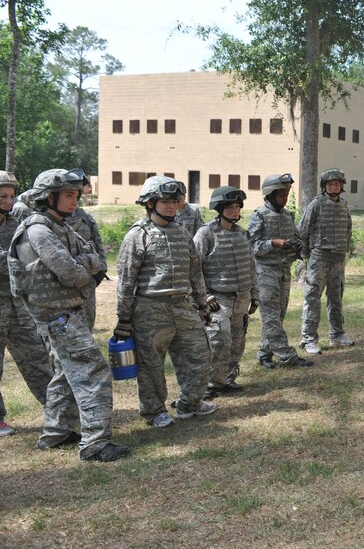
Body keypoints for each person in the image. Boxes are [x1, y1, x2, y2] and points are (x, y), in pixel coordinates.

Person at [8, 168, 129, 461]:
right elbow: (71, 273)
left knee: (64, 373)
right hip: (57, 317)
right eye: (69, 195)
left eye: (76, 195)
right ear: (48, 197)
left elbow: (95, 259)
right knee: (93, 371)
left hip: (65, 313)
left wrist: (84, 264)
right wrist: (84, 266)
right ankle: (95, 444)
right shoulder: (39, 230)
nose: (75, 201)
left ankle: (57, 431)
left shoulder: (60, 226)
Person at [115, 176, 217, 427]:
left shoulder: (182, 233)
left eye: (175, 201)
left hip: (183, 306)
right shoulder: (137, 235)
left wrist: (202, 304)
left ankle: (190, 404)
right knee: (151, 365)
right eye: (165, 202)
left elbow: (195, 272)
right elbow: (126, 279)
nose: (172, 206)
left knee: (200, 355)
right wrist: (124, 318)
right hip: (150, 309)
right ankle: (154, 411)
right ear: (150, 203)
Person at [0, 171, 53, 437]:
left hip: (19, 306)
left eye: (11, 196)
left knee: (38, 359)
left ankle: (58, 409)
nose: (9, 202)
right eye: (3, 196)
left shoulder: (16, 225)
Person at [194, 186, 259, 398]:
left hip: (241, 298)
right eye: (229, 207)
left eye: (237, 206)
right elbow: (193, 268)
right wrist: (205, 296)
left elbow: (251, 265)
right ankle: (211, 384)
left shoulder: (241, 234)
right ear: (219, 208)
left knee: (237, 342)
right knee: (219, 341)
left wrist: (255, 294)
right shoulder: (206, 233)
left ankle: (227, 379)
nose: (234, 210)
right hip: (218, 299)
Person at [247, 173, 313, 368]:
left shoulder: (287, 216)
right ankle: (286, 355)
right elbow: (251, 246)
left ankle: (264, 353)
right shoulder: (259, 215)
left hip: (284, 271)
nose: (284, 199)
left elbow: (296, 237)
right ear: (270, 195)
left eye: (286, 194)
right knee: (271, 316)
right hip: (265, 272)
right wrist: (273, 243)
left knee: (278, 315)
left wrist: (296, 246)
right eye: (281, 195)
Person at [296, 168, 355, 355]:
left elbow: (348, 230)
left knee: (336, 298)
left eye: (336, 184)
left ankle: (337, 334)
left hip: (338, 260)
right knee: (313, 299)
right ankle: (309, 339)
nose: (333, 187)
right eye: (330, 184)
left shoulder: (344, 206)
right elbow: (302, 232)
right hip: (319, 259)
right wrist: (306, 255)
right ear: (324, 186)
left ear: (341, 186)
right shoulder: (316, 205)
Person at [67, 176, 107, 330]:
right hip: (62, 282)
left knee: (87, 323)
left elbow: (97, 243)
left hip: (87, 281)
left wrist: (101, 269)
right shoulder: (49, 221)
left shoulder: (85, 217)